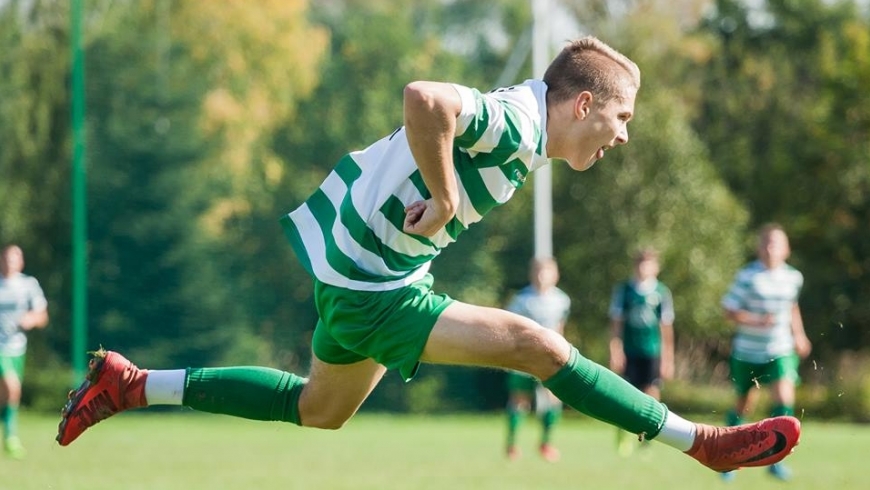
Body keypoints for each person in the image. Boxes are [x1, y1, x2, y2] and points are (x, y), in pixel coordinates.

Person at [55, 36, 800, 474]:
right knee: (538, 346)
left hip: (364, 276)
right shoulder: (516, 123)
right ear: (583, 105)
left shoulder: (529, 128)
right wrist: (444, 199)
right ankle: (699, 441)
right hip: (376, 287)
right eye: (621, 116)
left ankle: (134, 384)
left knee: (318, 410)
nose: (624, 134)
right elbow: (426, 99)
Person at [719, 223, 811, 482]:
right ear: (759, 248)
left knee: (783, 400)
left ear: (786, 249)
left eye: (776, 243)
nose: (771, 248)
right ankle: (728, 456)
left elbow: (792, 306)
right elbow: (729, 310)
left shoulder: (794, 277)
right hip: (747, 351)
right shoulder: (748, 276)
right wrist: (755, 321)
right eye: (766, 243)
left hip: (779, 349)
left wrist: (799, 335)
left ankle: (775, 457)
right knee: (743, 404)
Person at [503, 257, 571, 462]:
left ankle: (546, 443)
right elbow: (510, 328)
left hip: (550, 359)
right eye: (538, 271)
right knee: (520, 400)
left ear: (555, 275)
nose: (542, 276)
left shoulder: (562, 300)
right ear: (532, 274)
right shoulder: (521, 300)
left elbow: (560, 329)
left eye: (547, 271)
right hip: (524, 358)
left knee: (552, 399)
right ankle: (512, 445)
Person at [608, 248, 674, 457]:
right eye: (640, 263)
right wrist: (615, 350)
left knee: (652, 394)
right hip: (630, 350)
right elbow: (616, 323)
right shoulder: (625, 290)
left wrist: (668, 358)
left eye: (648, 263)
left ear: (656, 267)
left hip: (652, 351)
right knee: (626, 395)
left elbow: (666, 328)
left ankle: (647, 439)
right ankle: (623, 434)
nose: (643, 267)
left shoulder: (661, 292)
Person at [0, 244, 49, 459]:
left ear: (21, 262)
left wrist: (31, 319)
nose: (10, 262)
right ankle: (11, 437)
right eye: (7, 258)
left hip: (17, 347)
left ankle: (8, 432)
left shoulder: (28, 285)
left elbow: (42, 314)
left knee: (8, 394)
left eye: (14, 258)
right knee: (12, 387)